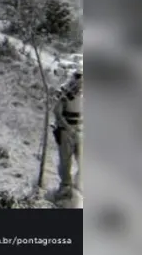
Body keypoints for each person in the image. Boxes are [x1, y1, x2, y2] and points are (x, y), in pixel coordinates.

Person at [52, 68, 83, 199]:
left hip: (79, 131)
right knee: (66, 161)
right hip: (65, 131)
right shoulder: (64, 93)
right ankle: (65, 187)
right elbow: (57, 112)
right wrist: (68, 128)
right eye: (79, 80)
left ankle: (77, 184)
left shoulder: (83, 94)